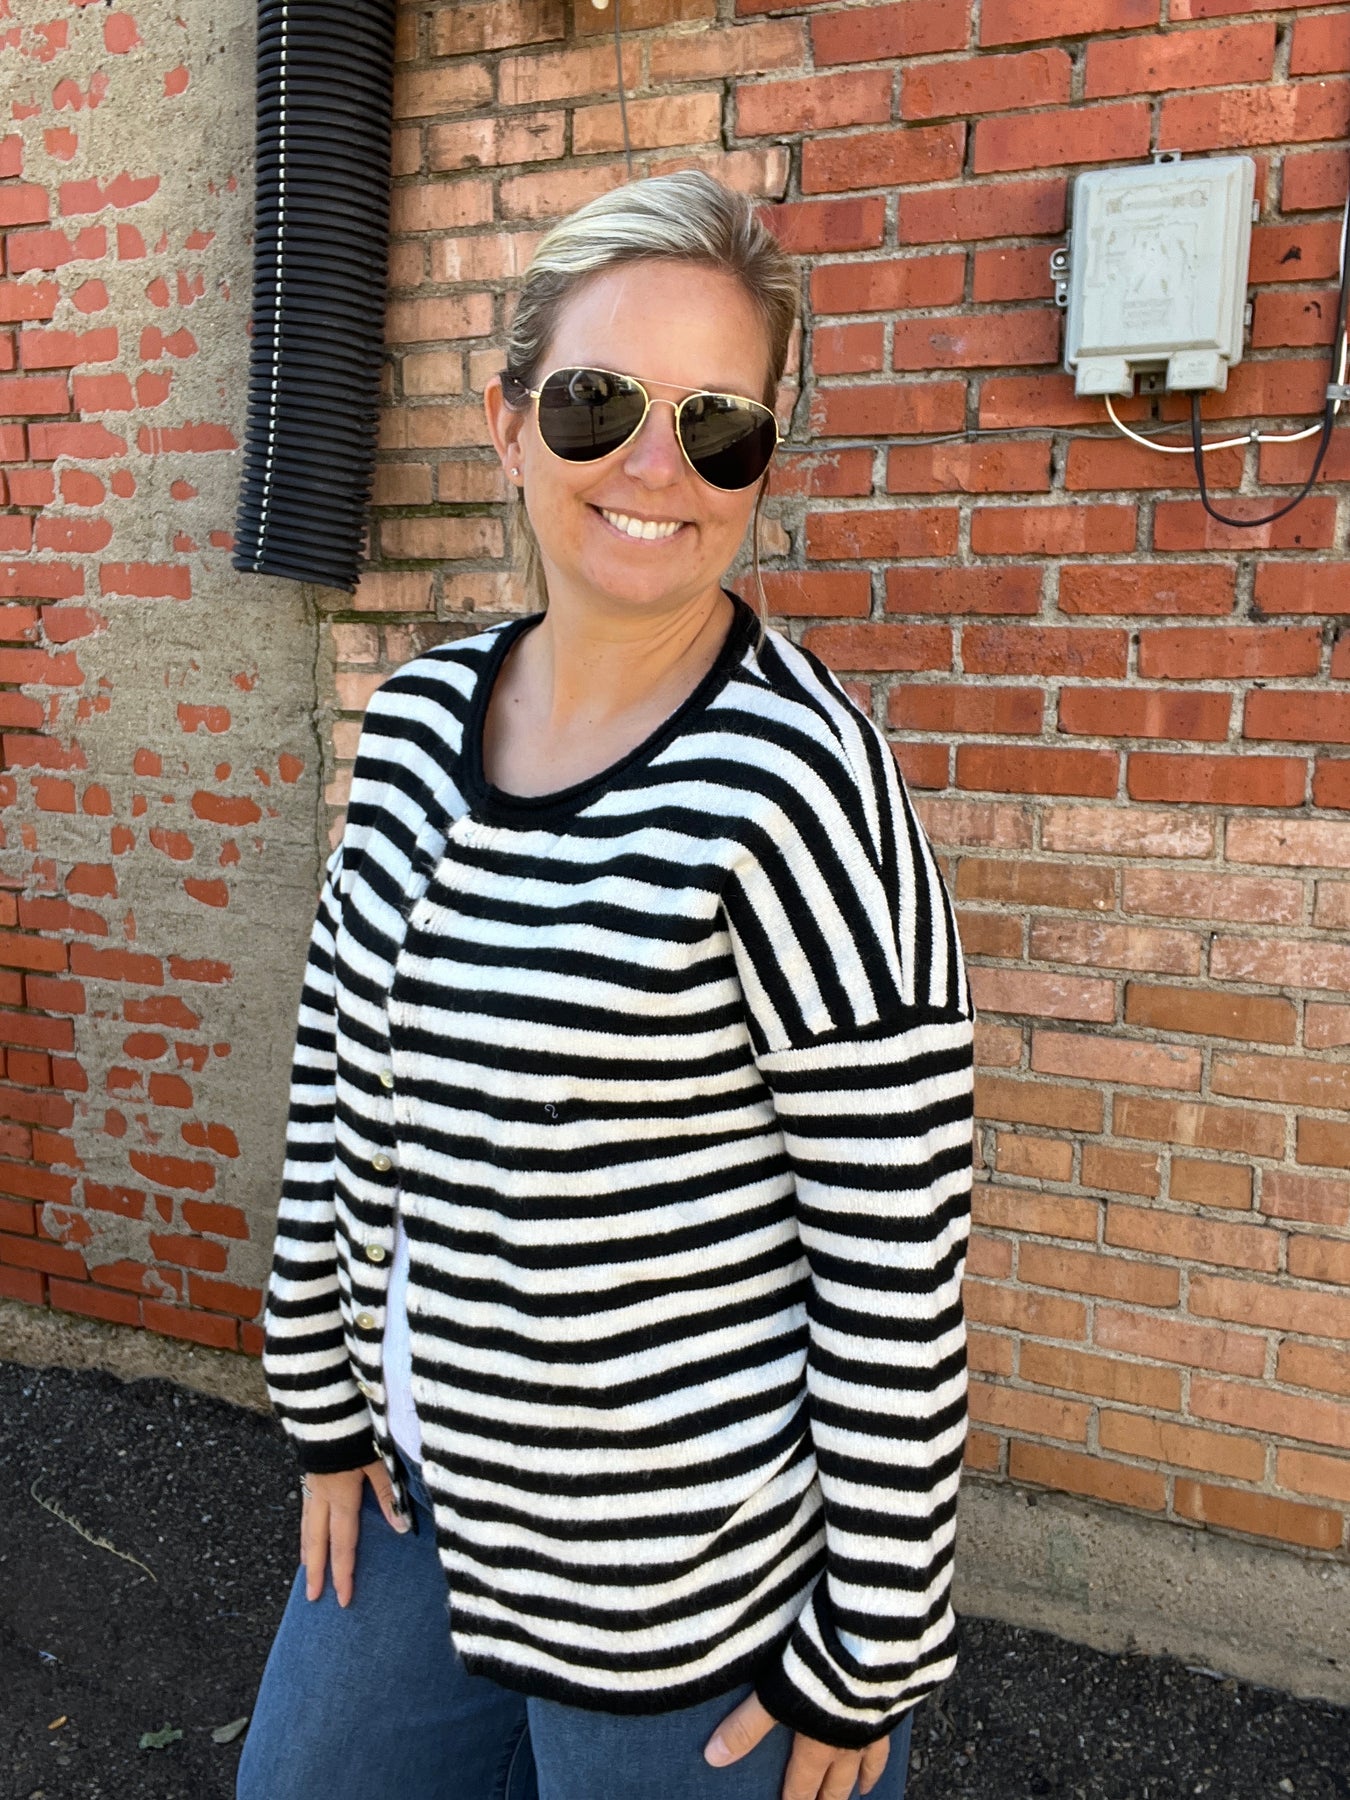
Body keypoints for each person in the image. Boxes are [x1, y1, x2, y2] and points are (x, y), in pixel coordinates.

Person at [238, 169, 976, 1800]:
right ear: (508, 424)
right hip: (420, 1510)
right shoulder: (416, 727)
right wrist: (323, 1405)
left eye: (719, 425)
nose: (657, 467)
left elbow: (893, 1253)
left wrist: (868, 1641)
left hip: (687, 1595)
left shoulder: (800, 787)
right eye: (596, 403)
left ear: (762, 462)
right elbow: (338, 1088)